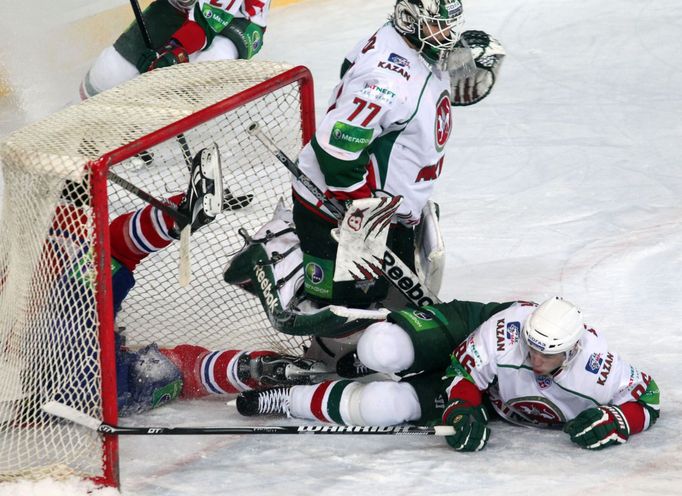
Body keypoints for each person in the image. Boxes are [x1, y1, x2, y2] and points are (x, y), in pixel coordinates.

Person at [50, 145, 326, 418]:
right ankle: (176, 215)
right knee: (112, 251)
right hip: (86, 353)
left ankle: (256, 368)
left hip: (107, 389)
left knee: (184, 370)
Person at [290, 0, 504, 308]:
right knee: (349, 313)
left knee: (393, 302)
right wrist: (363, 212)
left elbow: (350, 66)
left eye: (448, 26)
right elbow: (337, 150)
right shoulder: (387, 82)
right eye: (436, 25)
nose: (445, 36)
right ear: (407, 18)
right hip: (340, 212)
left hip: (390, 212)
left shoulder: (405, 42)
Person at [235, 297, 660, 452]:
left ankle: (286, 399)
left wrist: (620, 421)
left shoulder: (597, 368)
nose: (533, 361)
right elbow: (463, 370)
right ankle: (373, 362)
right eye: (531, 349)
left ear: (570, 351)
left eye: (546, 357)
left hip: (496, 396)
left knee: (384, 407)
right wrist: (461, 405)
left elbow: (649, 398)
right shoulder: (506, 333)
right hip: (470, 333)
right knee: (382, 346)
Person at [79, 0, 271, 100]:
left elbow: (204, 27)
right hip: (179, 8)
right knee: (107, 74)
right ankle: (88, 120)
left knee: (206, 66)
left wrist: (172, 54)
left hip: (238, 21)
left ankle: (150, 125)